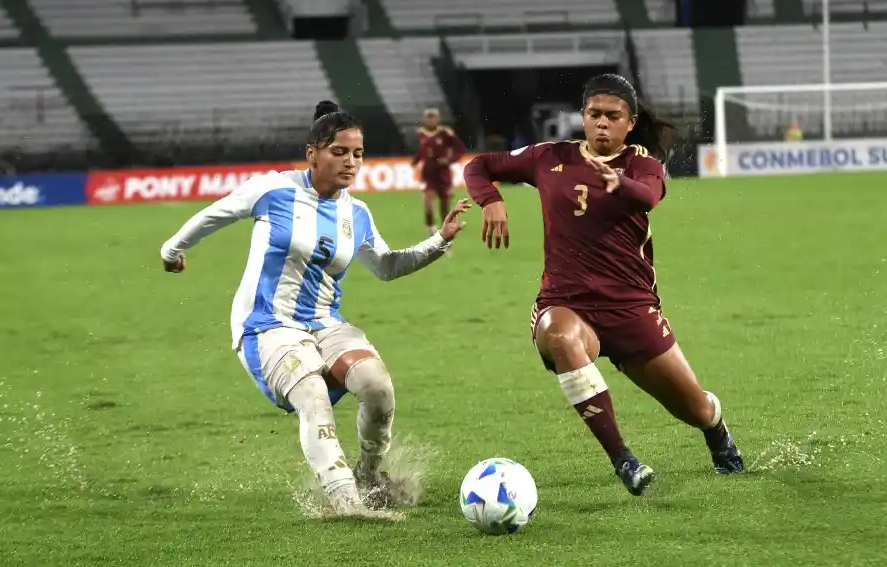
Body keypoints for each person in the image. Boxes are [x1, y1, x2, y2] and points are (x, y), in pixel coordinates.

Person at [159, 100, 471, 516]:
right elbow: (216, 214)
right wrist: (172, 250)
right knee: (312, 393)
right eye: (338, 152)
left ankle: (369, 476)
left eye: (357, 154)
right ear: (313, 153)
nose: (350, 162)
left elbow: (387, 266)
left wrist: (440, 240)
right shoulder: (273, 189)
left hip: (324, 323)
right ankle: (346, 502)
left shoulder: (355, 212)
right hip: (267, 324)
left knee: (377, 386)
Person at [462, 74, 743, 496]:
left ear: (630, 123)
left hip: (631, 309)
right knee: (558, 335)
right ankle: (624, 460)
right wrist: (491, 200)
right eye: (594, 114)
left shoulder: (643, 164)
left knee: (695, 408)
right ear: (583, 117)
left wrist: (619, 183)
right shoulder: (549, 157)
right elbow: (478, 165)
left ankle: (717, 433)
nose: (602, 124)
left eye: (613, 116)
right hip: (567, 303)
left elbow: (649, 196)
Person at [412, 107, 467, 237]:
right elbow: (423, 150)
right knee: (428, 204)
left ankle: (446, 232)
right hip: (429, 175)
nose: (431, 120)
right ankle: (431, 229)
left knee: (444, 208)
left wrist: (450, 160)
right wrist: (416, 160)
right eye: (428, 117)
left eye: (433, 117)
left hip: (443, 175)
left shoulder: (445, 133)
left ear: (438, 118)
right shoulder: (422, 134)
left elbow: (460, 149)